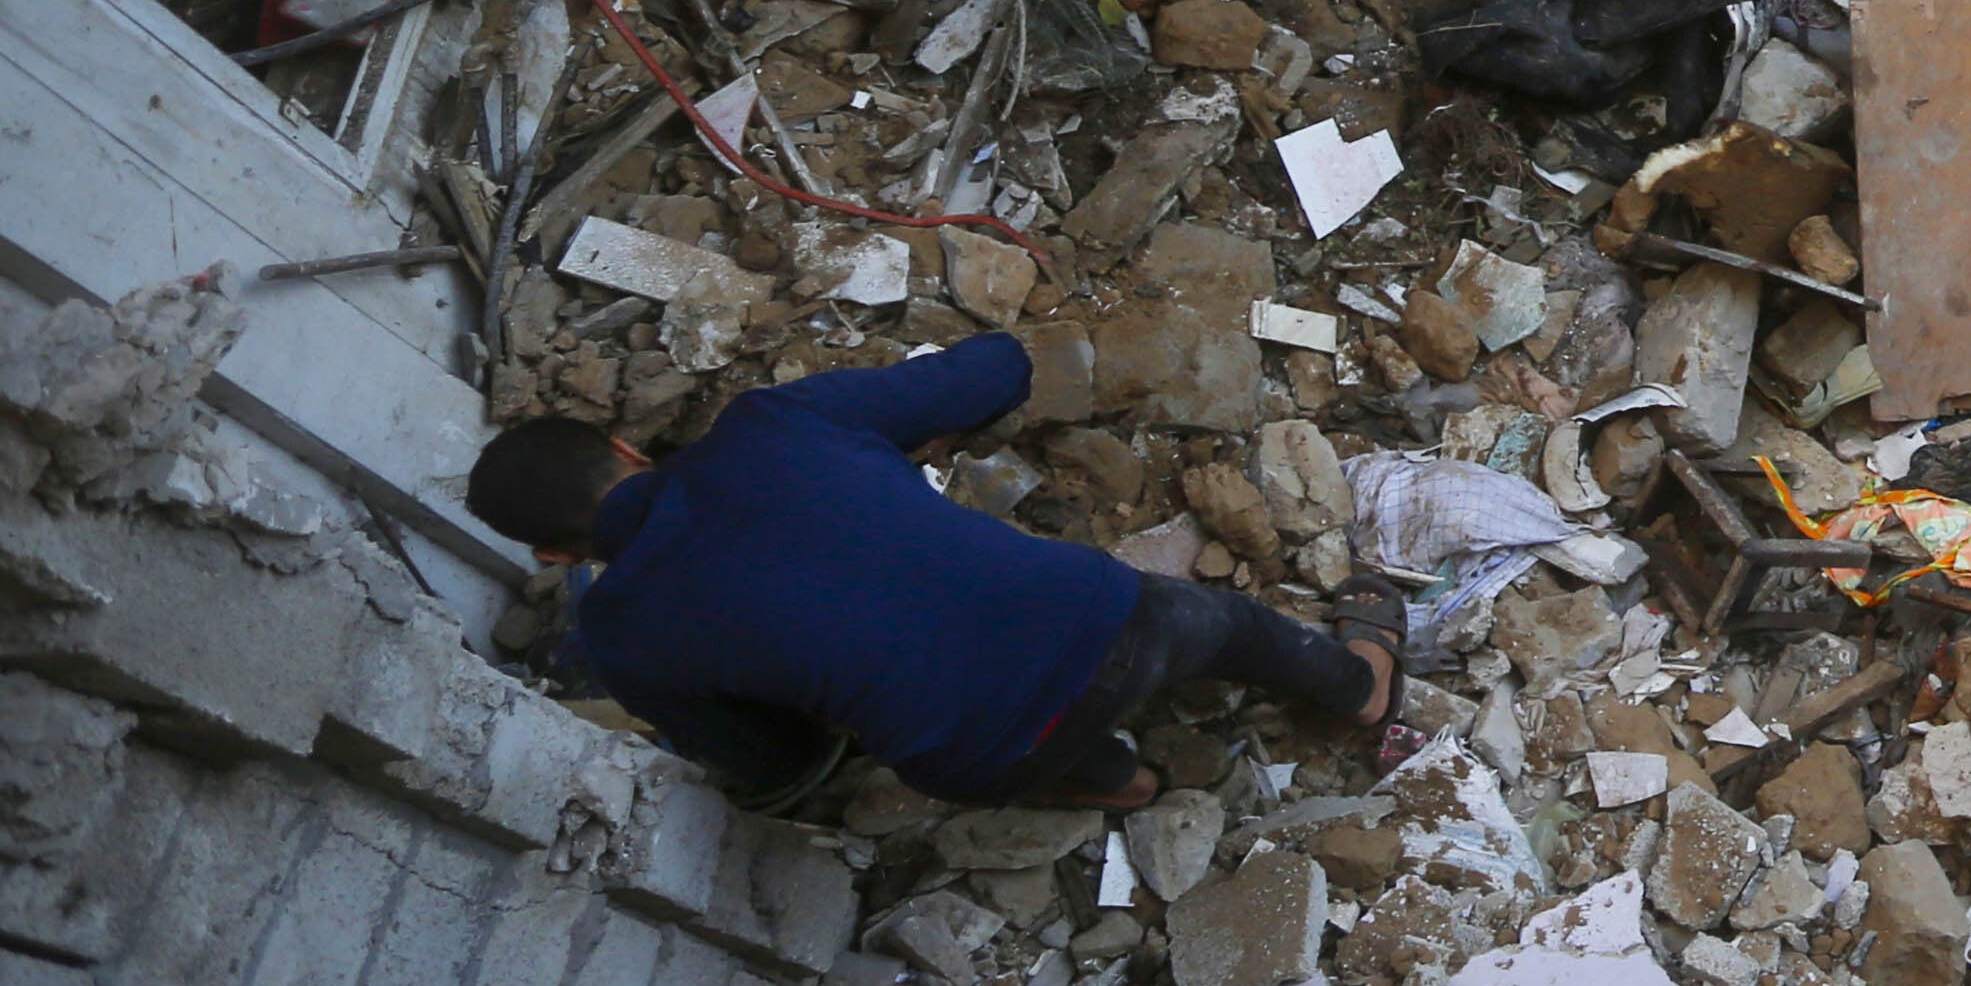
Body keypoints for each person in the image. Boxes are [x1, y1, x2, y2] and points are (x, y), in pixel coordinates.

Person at [468, 337, 1396, 813]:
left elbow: (779, 763)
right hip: (1111, 625)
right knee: (1224, 628)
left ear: (554, 555)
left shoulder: (620, 639)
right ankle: (1357, 687)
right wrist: (909, 434)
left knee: (1014, 748)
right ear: (627, 449)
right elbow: (999, 367)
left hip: (977, 754)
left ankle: (1122, 783)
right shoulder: (771, 425)